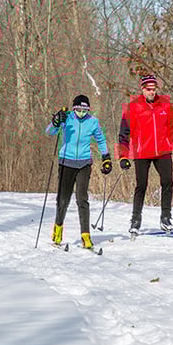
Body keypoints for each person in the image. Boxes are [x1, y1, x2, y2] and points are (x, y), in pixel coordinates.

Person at [117, 74, 173, 234]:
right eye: (148, 89)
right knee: (141, 185)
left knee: (168, 181)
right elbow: (123, 133)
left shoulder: (165, 105)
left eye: (154, 89)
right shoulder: (133, 107)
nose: (152, 92)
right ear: (142, 89)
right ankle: (135, 219)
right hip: (142, 152)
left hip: (163, 150)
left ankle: (165, 217)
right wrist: (123, 156)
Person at [46, 94, 112, 249]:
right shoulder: (66, 118)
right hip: (66, 162)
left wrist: (106, 158)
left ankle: (85, 236)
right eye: (78, 109)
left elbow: (101, 140)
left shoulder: (93, 121)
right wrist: (56, 121)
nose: (81, 112)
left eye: (85, 110)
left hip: (84, 163)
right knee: (63, 200)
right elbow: (49, 132)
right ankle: (58, 228)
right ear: (74, 108)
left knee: (82, 199)